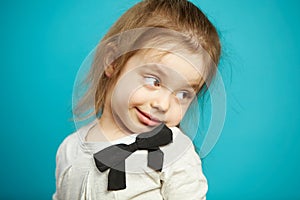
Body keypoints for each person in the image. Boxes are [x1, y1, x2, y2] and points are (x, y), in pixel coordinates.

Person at [53, 0, 221, 199]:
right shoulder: (69, 148)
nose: (163, 104)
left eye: (183, 94)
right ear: (113, 61)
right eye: (154, 81)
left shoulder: (173, 152)